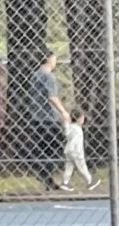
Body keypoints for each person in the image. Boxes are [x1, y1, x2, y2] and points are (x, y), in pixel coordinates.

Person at [30, 49, 72, 191]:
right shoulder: (49, 77)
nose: (56, 61)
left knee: (43, 148)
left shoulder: (35, 75)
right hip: (48, 117)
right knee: (56, 146)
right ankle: (44, 172)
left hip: (36, 117)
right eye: (54, 58)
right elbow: (52, 96)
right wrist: (63, 111)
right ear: (48, 59)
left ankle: (47, 177)